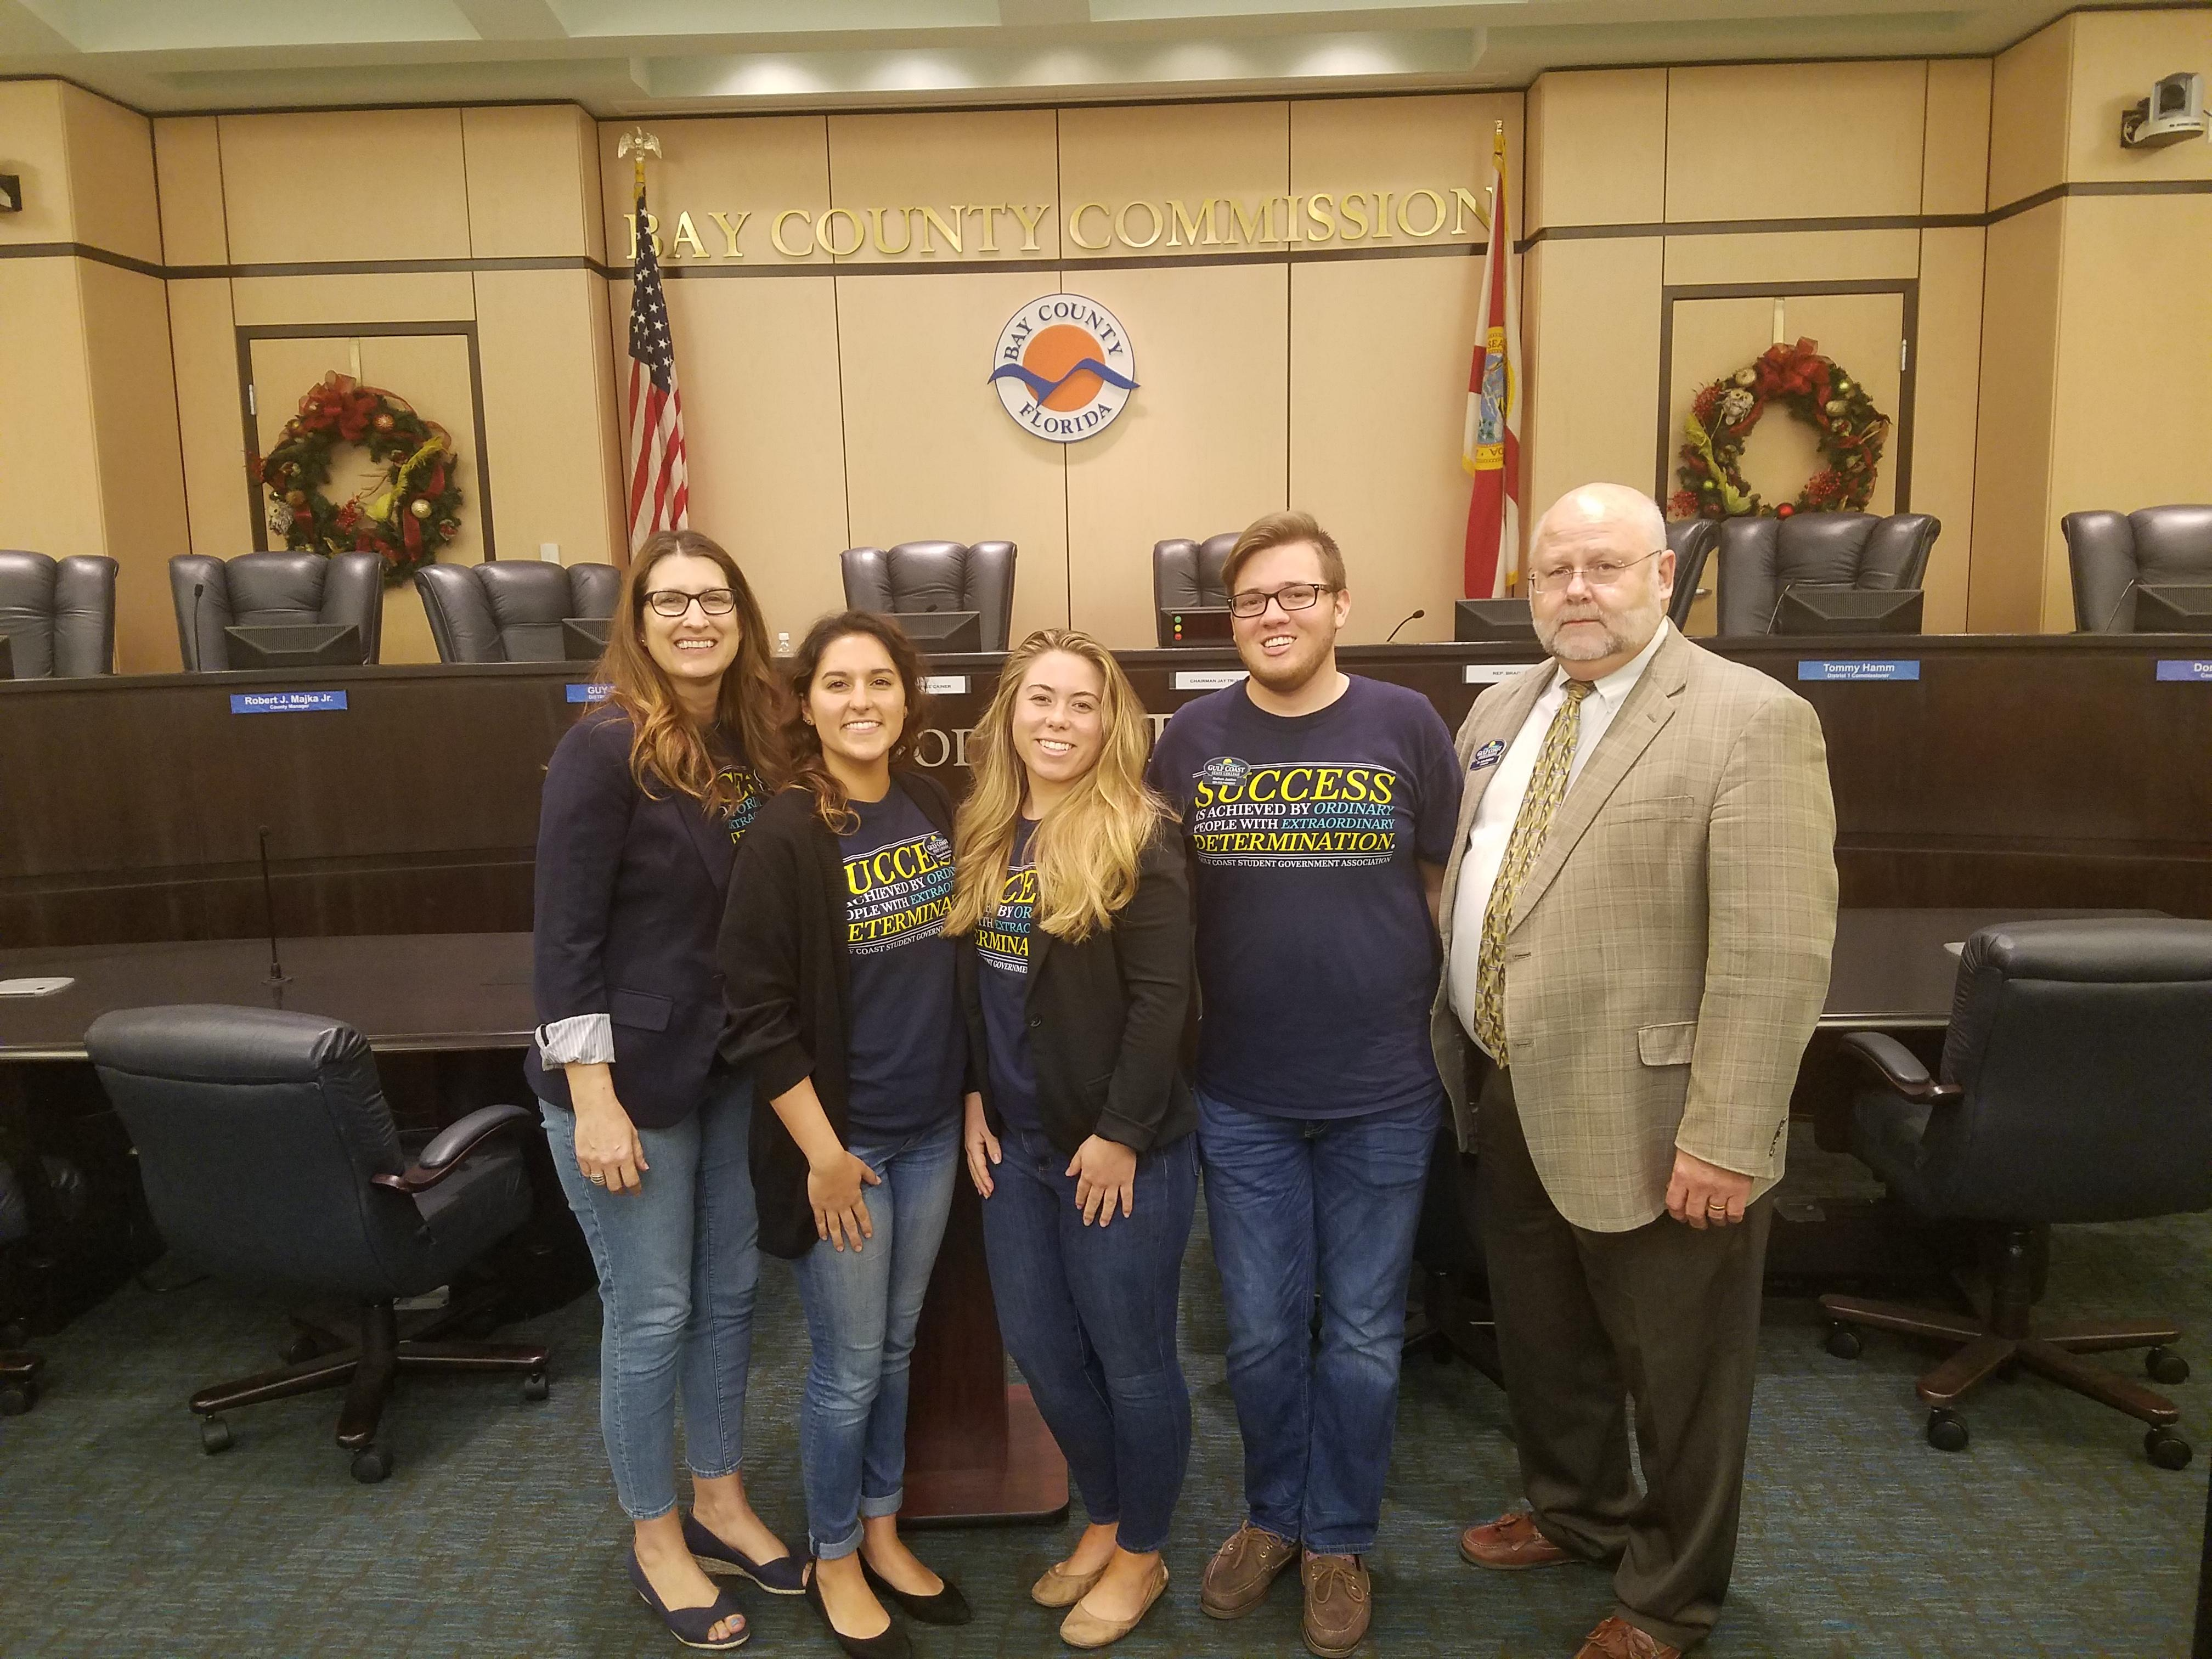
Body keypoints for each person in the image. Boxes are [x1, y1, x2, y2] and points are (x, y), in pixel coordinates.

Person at [1434, 483, 1837, 1659]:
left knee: (1681, 1378)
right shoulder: (1501, 707)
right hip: (1510, 1089)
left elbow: (1778, 950)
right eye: (1555, 570)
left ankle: (1671, 1595)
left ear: (1665, 579)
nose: (1576, 590)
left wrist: (1732, 1134)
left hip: (1664, 1118)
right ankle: (1578, 1511)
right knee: (1545, 1342)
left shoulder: (1747, 718)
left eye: (1605, 567)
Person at [1146, 510, 1463, 1659]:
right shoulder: (1189, 737)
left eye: (1295, 595)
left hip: (1385, 1087)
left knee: (1368, 1335)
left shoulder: (1406, 723)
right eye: (1251, 601)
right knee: (1266, 1335)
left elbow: (1440, 889)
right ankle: (1272, 1516)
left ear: (1338, 604)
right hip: (1243, 1093)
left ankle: (1340, 1538)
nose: (1272, 616)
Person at [530, 529, 802, 1653]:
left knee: (731, 1295)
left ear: (741, 616)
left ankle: (720, 1495)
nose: (696, 619)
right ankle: (655, 1537)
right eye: (671, 602)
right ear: (638, 624)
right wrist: (592, 1095)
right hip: (627, 1082)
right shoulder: (605, 749)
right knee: (653, 1313)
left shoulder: (750, 740)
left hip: (727, 1065)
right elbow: (565, 939)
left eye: (715, 600)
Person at [720, 611, 973, 1659]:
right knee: (846, 1368)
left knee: (898, 1348)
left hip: (929, 1134)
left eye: (880, 681)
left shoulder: (927, 801)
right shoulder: (786, 830)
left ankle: (880, 1527)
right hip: (847, 1153)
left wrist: (967, 1099)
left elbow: (954, 970)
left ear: (907, 698)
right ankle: (832, 1556)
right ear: (805, 702)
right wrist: (824, 1155)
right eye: (838, 683)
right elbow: (755, 1014)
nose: (861, 701)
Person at [951, 629, 1198, 1650]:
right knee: (1046, 1355)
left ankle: (1142, 1550)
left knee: (1134, 1361)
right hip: (1016, 1146)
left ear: (1112, 722)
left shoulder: (1140, 832)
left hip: (1117, 1155)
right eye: (1041, 700)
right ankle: (1104, 1512)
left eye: (1083, 704)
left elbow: (1163, 1002)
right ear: (1011, 713)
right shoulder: (985, 827)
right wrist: (975, 1094)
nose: (1060, 720)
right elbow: (980, 990)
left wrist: (1123, 1133)